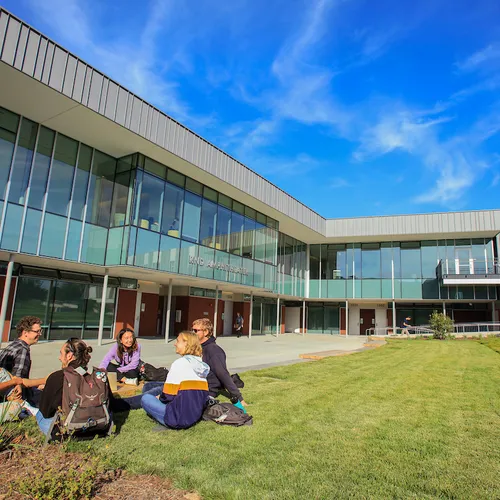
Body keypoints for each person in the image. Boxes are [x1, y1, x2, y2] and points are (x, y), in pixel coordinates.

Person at [141, 331, 209, 430]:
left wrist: (159, 398)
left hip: (177, 418)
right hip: (195, 415)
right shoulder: (200, 364)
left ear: (186, 343)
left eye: (178, 341)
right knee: (155, 388)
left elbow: (168, 395)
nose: (175, 343)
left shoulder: (179, 363)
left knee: (146, 398)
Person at [192, 318, 248, 407]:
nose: (193, 333)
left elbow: (223, 374)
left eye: (195, 331)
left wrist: (239, 398)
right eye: (192, 330)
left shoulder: (214, 350)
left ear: (205, 332)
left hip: (205, 390)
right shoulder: (199, 348)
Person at [0, 316, 44, 405]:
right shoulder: (22, 350)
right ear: (25, 333)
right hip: (13, 399)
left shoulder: (12, 346)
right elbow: (19, 381)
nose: (40, 334)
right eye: (37, 331)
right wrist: (44, 381)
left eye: (40, 331)